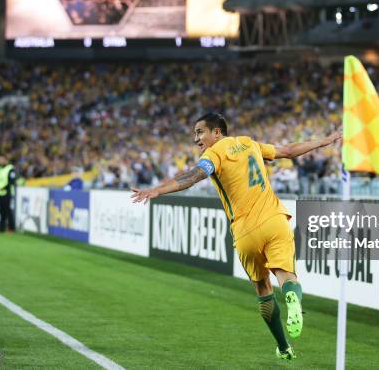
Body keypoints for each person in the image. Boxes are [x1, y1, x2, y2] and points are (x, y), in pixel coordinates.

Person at [131, 112, 341, 360]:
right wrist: (324, 141)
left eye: (200, 132)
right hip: (275, 219)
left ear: (217, 132)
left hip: (244, 232)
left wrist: (157, 190)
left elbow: (193, 177)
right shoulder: (251, 143)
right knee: (287, 276)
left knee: (263, 289)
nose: (196, 138)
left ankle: (284, 347)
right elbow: (289, 150)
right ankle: (293, 297)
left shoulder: (214, 153)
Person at [0, 155, 16, 233]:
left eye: (1, 159)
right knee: (2, 211)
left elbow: (12, 181)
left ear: (6, 160)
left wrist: (4, 188)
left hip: (7, 193)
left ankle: (11, 228)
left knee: (7, 211)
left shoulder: (10, 168)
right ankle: (1, 228)